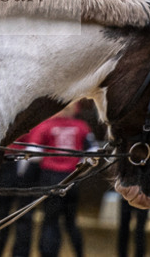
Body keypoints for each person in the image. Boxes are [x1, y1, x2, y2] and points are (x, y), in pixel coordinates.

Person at [31, 103, 95, 257]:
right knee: (71, 221)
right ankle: (79, 253)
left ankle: (48, 254)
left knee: (50, 220)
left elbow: (33, 154)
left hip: (51, 178)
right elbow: (93, 152)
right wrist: (80, 169)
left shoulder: (46, 126)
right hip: (71, 179)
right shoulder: (82, 126)